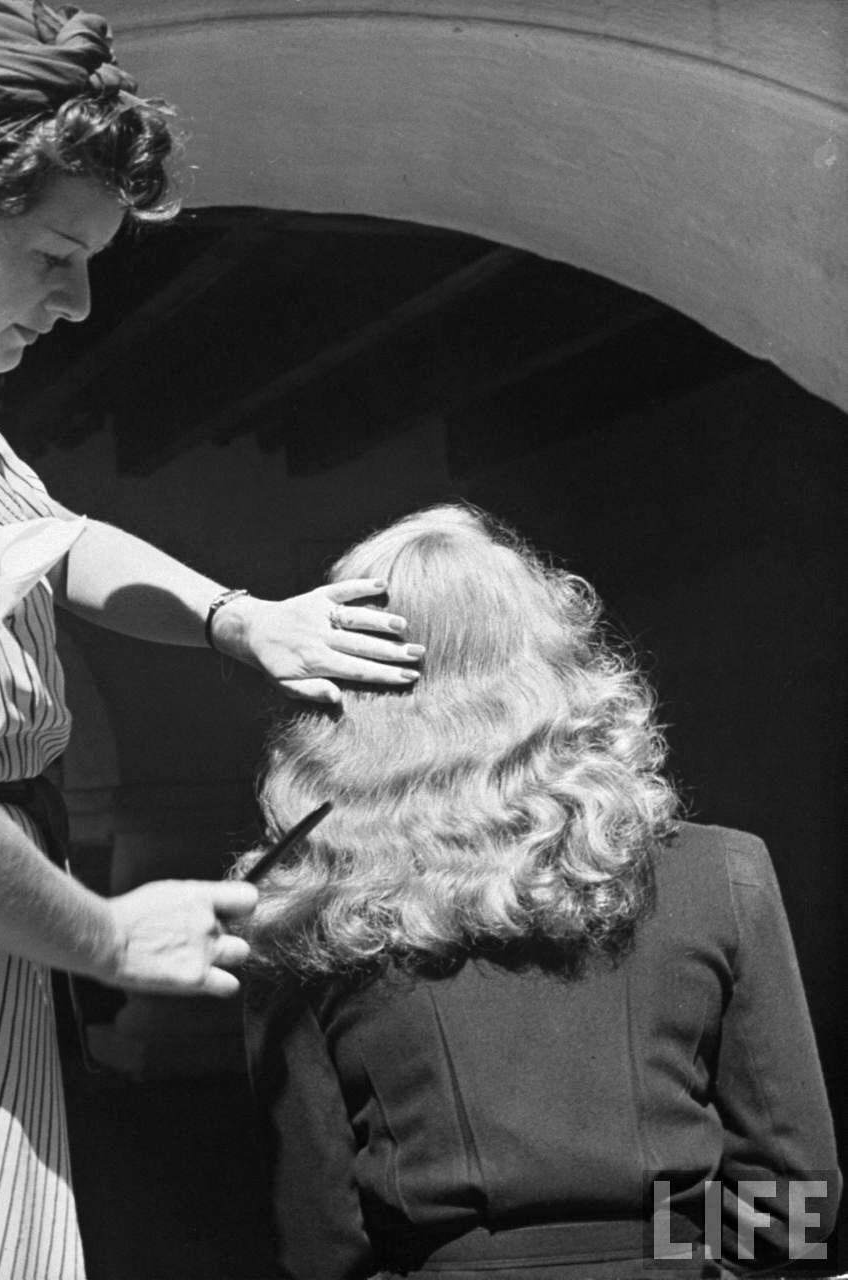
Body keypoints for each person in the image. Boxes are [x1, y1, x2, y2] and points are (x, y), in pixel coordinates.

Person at [0, 3, 425, 1276]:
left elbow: (57, 539)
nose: (83, 301)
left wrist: (234, 618)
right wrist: (106, 936)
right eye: (53, 253)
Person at [235, 504, 841, 1280]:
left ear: (339, 693)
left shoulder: (298, 911)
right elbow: (793, 1193)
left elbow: (318, 1237)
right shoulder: (720, 873)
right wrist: (660, 1252)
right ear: (553, 656)